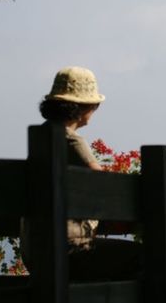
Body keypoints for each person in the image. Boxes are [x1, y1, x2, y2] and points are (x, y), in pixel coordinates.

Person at [21, 66, 140, 281]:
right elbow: (106, 186)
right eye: (95, 104)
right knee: (144, 257)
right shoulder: (69, 139)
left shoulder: (42, 136)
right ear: (83, 106)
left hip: (35, 253)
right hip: (68, 252)